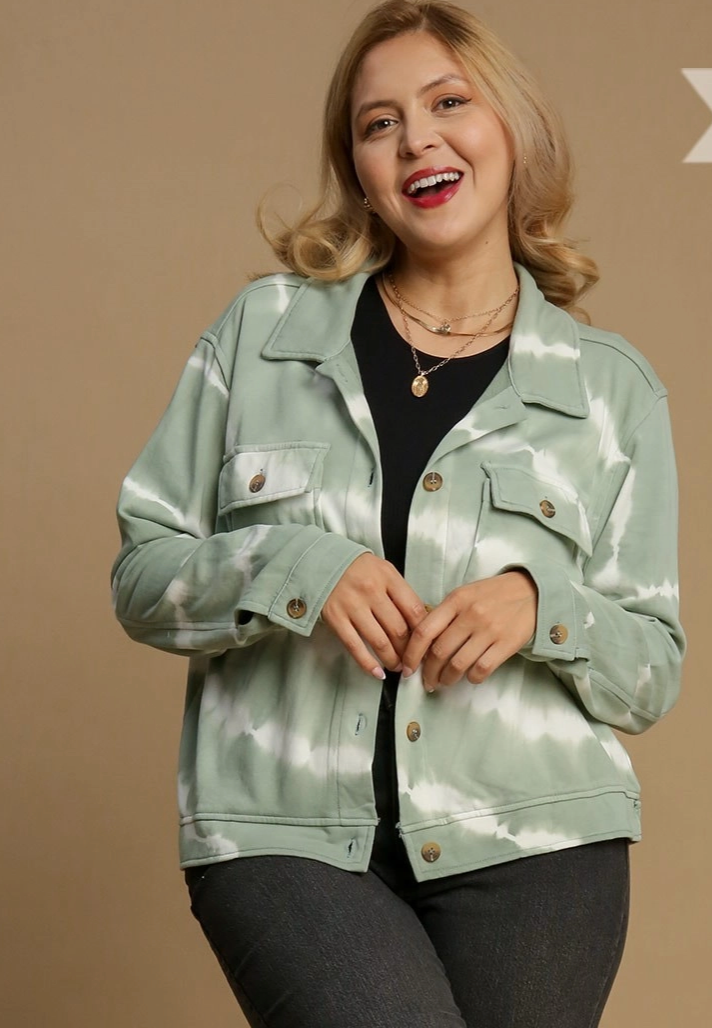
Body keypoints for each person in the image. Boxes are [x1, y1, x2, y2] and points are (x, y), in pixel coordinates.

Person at [111, 1, 685, 1025]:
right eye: (380, 123)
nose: (417, 138)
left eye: (448, 103)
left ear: (511, 128)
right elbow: (141, 576)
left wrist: (540, 604)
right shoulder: (262, 337)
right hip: (283, 830)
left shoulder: (612, 391)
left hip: (539, 840)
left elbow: (650, 668)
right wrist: (294, 566)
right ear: (362, 171)